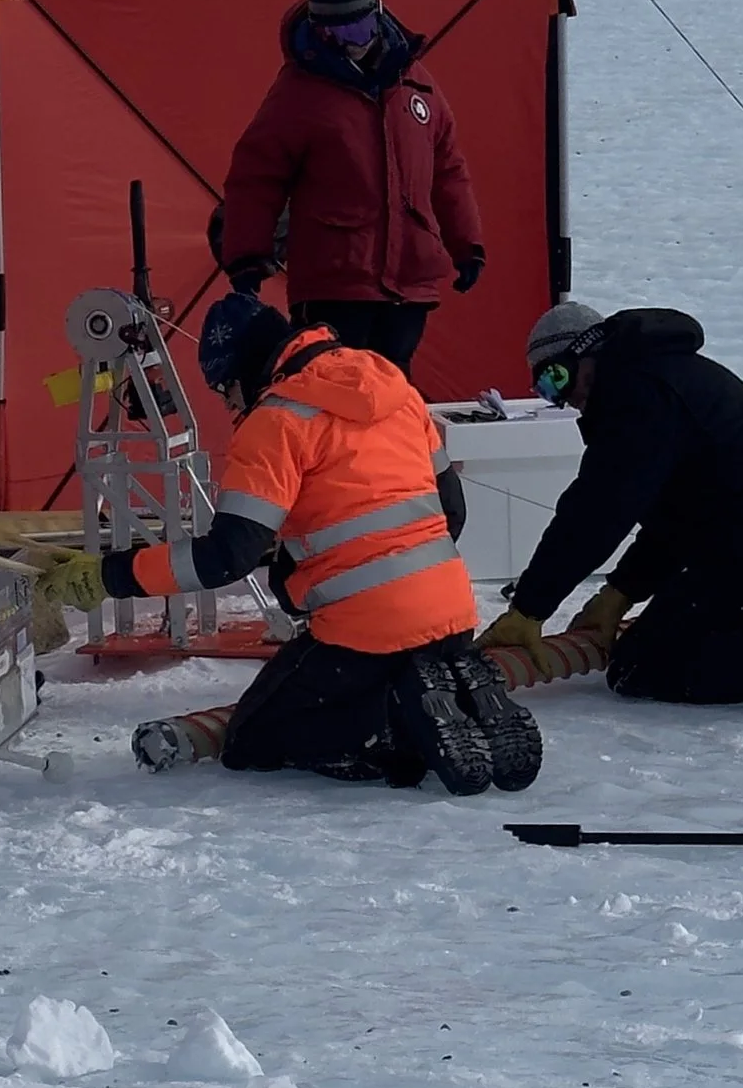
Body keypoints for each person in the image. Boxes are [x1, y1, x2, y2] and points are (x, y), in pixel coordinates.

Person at [88, 292, 539, 795]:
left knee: (252, 741)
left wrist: (115, 574)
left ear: (242, 373)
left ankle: (394, 722)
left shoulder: (275, 422)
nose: (230, 405)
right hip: (452, 612)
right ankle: (454, 687)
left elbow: (225, 557)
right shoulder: (394, 387)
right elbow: (451, 510)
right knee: (371, 665)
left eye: (224, 391)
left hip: (365, 633)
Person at [479, 299, 743, 716]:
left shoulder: (635, 392)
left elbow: (598, 509)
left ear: (586, 350)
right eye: (547, 390)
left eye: (557, 377)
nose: (564, 399)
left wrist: (529, 609)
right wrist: (618, 594)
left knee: (640, 668)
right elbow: (675, 521)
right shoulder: (666, 374)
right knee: (655, 642)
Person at [215, 0, 485, 378]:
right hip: (334, 281)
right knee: (333, 391)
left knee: (394, 397)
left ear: (378, 16)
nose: (349, 42)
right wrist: (247, 256)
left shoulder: (416, 83)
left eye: (358, 28)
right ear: (319, 28)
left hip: (408, 283)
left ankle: (397, 447)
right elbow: (256, 178)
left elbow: (448, 170)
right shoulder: (298, 94)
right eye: (335, 32)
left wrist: (466, 245)